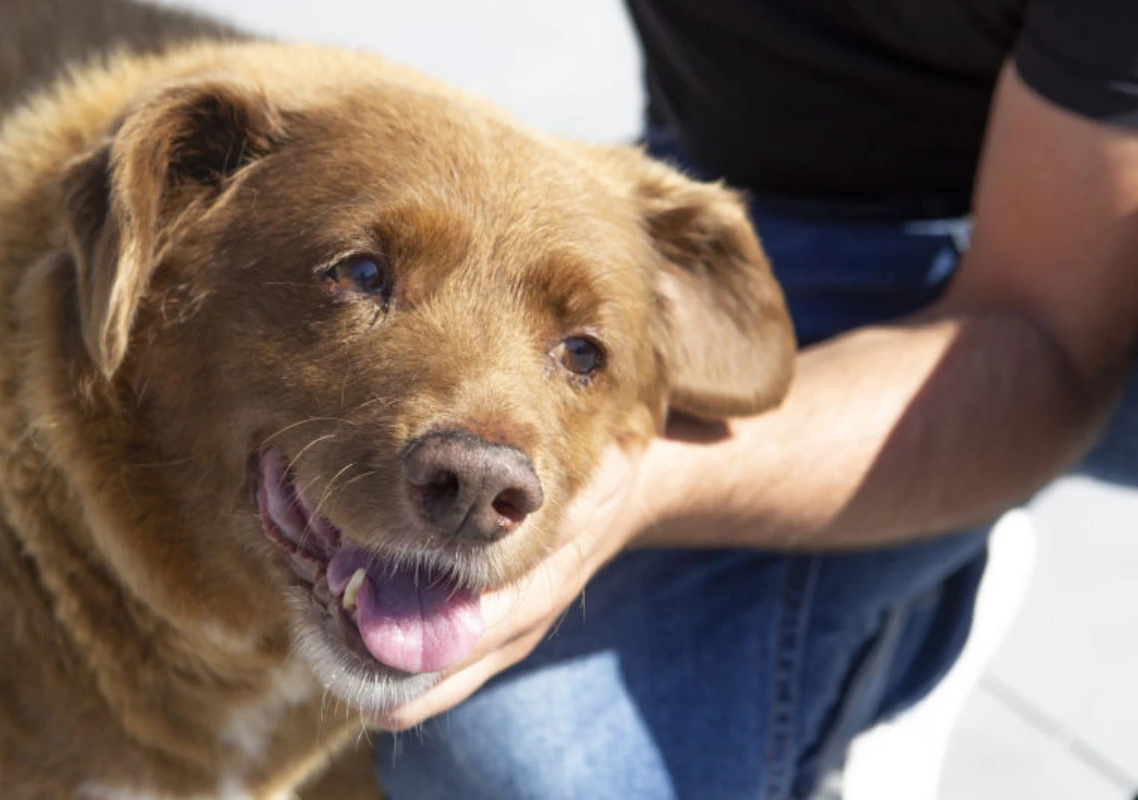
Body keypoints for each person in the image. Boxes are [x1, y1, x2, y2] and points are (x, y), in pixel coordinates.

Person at [374, 1, 1138, 798]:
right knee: (500, 751)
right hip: (756, 169)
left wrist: (636, 485)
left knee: (551, 771)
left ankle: (930, 523)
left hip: (1077, 261)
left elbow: (1044, 338)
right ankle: (912, 551)